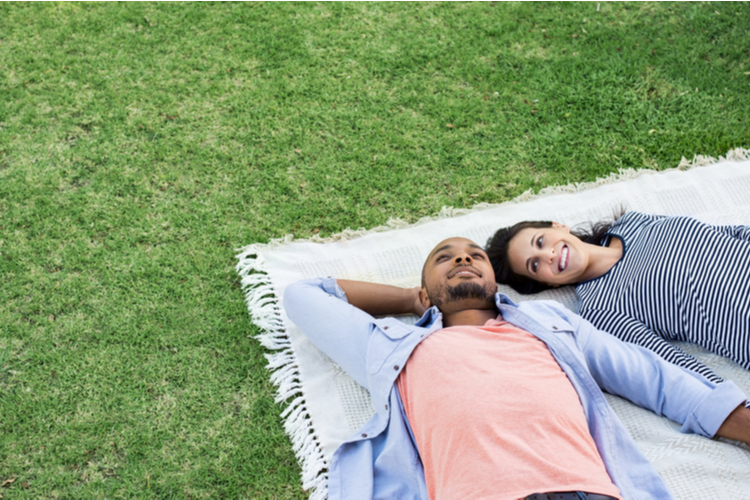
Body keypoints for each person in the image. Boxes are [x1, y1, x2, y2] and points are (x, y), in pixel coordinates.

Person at [283, 236, 750, 500]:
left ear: (493, 279)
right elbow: (303, 296)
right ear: (425, 289)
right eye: (444, 259)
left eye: (474, 256)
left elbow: (654, 379)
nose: (463, 258)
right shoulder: (391, 347)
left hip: (586, 493)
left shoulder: (552, 323)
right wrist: (411, 301)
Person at [486, 211, 750, 385]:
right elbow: (671, 365)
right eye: (535, 265)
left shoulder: (632, 222)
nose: (549, 255)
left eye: (541, 241)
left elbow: (731, 233)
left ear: (559, 226)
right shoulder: (599, 309)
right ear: (545, 283)